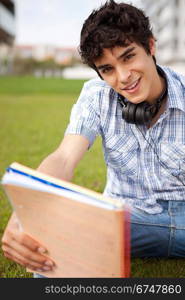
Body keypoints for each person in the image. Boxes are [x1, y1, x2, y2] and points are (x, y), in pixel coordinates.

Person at [2, 0, 185, 277]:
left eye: (128, 57)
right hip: (125, 218)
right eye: (107, 69)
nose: (123, 77)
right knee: (46, 241)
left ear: (150, 46)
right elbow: (64, 157)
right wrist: (28, 212)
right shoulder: (96, 96)